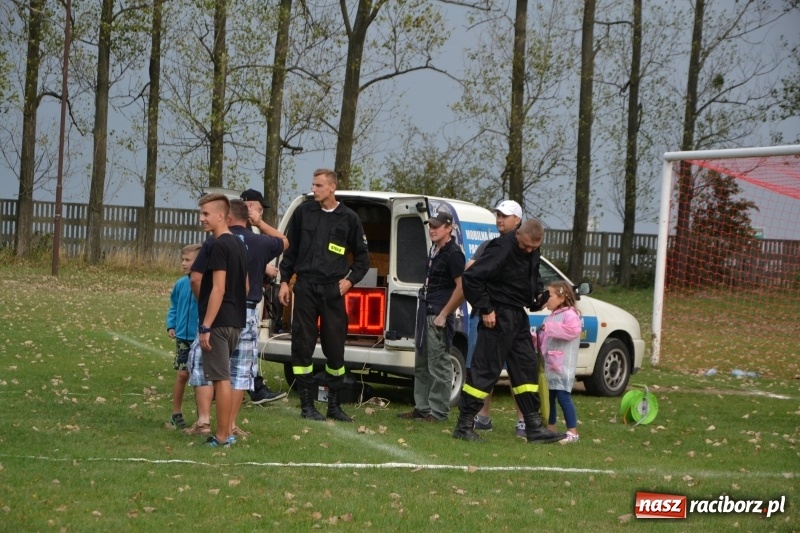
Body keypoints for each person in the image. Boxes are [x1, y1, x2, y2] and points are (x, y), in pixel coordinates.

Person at [453, 219, 566, 443]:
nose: (529, 251)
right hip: (496, 316)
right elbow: (471, 278)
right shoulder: (501, 248)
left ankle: (533, 425)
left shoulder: (532, 249)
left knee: (526, 369)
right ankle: (464, 425)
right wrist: (486, 308)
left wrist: (536, 295)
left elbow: (531, 276)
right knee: (485, 370)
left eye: (534, 248)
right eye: (525, 246)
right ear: (518, 235)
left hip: (518, 316)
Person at [278, 168, 370, 422]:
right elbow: (291, 251)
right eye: (313, 185)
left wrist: (349, 281)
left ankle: (334, 405)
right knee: (302, 347)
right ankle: (307, 406)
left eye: (318, 185)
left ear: (332, 187)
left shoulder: (349, 218)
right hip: (305, 287)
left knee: (335, 350)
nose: (314, 189)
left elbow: (363, 259)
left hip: (332, 290)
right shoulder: (303, 212)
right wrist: (284, 282)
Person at [397, 210, 465, 422]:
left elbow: (462, 288)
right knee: (422, 362)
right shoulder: (435, 249)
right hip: (425, 311)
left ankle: (438, 412)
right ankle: (422, 407)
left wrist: (444, 313)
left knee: (439, 364)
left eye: (437, 226)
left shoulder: (454, 253)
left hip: (438, 314)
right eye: (430, 225)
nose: (432, 230)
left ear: (448, 228)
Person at [464, 200, 523, 433]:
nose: (499, 219)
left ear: (517, 220)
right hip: (483, 315)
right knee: (481, 368)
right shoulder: (489, 246)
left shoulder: (524, 249)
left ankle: (523, 420)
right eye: (498, 215)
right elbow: (470, 272)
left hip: (510, 318)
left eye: (505, 216)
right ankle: (482, 418)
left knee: (517, 372)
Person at [195, 192, 248, 447]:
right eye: (201, 213)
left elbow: (218, 288)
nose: (202, 219)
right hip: (236, 321)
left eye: (206, 214)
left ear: (221, 215)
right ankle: (227, 433)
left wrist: (206, 325)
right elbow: (245, 286)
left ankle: (222, 436)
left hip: (218, 323)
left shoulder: (217, 245)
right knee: (224, 377)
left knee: (221, 379)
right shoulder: (238, 243)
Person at [240, 188, 289, 404]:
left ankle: (232, 387)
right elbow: (283, 242)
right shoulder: (250, 231)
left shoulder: (222, 233)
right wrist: (264, 269)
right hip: (246, 301)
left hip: (229, 300)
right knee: (246, 346)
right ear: (249, 206)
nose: (261, 213)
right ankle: (255, 388)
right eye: (259, 209)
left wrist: (262, 267)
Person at [539, 280, 582, 443]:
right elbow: (545, 339)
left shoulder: (571, 314)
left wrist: (549, 329)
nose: (546, 298)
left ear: (562, 297)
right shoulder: (550, 316)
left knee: (563, 396)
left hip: (563, 365)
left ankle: (573, 432)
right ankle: (550, 428)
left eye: (549, 295)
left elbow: (573, 331)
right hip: (550, 365)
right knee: (549, 397)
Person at [165, 243, 202, 429]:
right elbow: (173, 306)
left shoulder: (204, 283)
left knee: (200, 378)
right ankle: (176, 412)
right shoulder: (180, 284)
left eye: (188, 260)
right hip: (182, 338)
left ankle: (201, 416)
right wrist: (171, 324)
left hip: (199, 337)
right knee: (182, 374)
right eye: (183, 259)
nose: (183, 263)